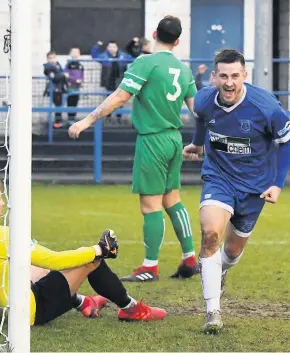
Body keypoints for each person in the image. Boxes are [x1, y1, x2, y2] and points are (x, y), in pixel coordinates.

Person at [69, 16, 199, 282]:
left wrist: (87, 120)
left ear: (154, 34)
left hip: (152, 139)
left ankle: (150, 267)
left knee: (150, 205)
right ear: (177, 41)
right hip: (174, 138)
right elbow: (198, 109)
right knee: (172, 199)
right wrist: (202, 142)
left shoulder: (145, 62)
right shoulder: (184, 70)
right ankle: (190, 258)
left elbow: (120, 97)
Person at [183, 48, 290, 334]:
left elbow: (286, 142)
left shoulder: (265, 106)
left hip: (254, 187)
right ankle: (213, 312)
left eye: (235, 76)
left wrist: (277, 184)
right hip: (218, 177)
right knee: (210, 235)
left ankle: (220, 268)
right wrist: (197, 144)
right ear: (214, 77)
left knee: (232, 251)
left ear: (245, 76)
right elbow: (201, 118)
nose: (229, 82)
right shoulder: (205, 100)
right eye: (223, 76)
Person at [0, 173, 167, 326]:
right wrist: (99, 249)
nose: (3, 203)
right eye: (0, 198)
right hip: (23, 315)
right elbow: (56, 260)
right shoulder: (6, 234)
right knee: (91, 261)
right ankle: (130, 308)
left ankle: (83, 302)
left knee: (34, 266)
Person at [91, 40, 132, 123]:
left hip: (120, 82)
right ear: (107, 48)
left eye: (113, 46)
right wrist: (96, 46)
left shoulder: (123, 56)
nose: (111, 48)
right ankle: (108, 118)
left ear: (117, 48)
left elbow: (132, 58)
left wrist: (133, 45)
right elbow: (94, 56)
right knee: (108, 101)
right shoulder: (104, 56)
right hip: (109, 82)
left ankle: (119, 118)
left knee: (119, 101)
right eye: (110, 47)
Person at [43, 51, 68, 129]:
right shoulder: (47, 67)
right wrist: (63, 75)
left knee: (59, 105)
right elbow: (54, 78)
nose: (52, 60)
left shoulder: (58, 65)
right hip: (53, 89)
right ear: (47, 59)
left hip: (60, 89)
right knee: (57, 105)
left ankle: (58, 121)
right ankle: (57, 122)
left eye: (53, 58)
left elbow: (60, 75)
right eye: (50, 58)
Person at [64, 47, 84, 125]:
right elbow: (66, 75)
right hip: (70, 88)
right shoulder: (68, 64)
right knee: (70, 103)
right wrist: (74, 80)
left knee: (75, 103)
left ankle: (73, 118)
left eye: (77, 52)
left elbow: (82, 76)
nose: (75, 54)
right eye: (73, 52)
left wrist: (81, 81)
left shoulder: (80, 65)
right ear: (70, 53)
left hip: (77, 88)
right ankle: (70, 119)